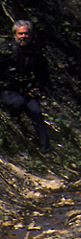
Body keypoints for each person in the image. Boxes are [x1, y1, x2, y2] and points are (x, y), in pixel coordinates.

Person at [1, 20, 50, 152]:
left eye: (26, 34)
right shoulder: (6, 51)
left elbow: (43, 73)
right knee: (18, 104)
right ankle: (17, 134)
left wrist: (37, 88)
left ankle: (45, 149)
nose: (23, 36)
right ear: (15, 35)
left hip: (27, 91)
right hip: (8, 90)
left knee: (36, 112)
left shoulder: (36, 52)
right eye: (20, 34)